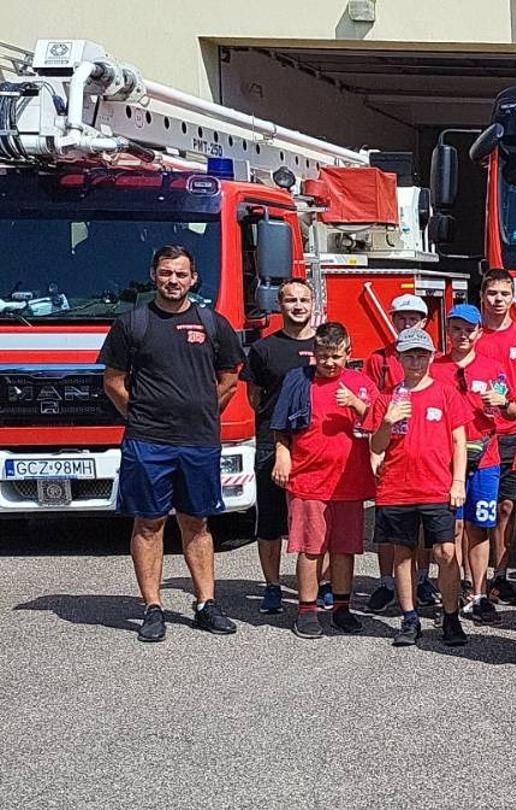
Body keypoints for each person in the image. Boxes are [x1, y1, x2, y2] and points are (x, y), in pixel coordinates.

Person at [100, 245, 245, 641]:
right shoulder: (133, 324)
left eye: (181, 274)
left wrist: (200, 410)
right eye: (166, 273)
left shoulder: (212, 323)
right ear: (153, 275)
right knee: (149, 523)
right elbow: (113, 381)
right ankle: (152, 607)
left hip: (198, 442)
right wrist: (143, 417)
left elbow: (229, 379)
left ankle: (206, 604)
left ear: (193, 279)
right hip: (148, 442)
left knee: (197, 522)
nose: (173, 281)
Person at [368, 327, 470, 648]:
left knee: (446, 551)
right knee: (403, 554)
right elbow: (377, 445)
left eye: (421, 355)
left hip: (437, 486)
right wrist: (387, 420)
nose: (415, 361)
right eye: (409, 355)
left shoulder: (446, 393)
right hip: (398, 488)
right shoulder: (387, 398)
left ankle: (450, 615)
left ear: (430, 358)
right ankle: (410, 618)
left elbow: (460, 441)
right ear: (398, 358)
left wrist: (457, 481)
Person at [268, 321, 369, 639]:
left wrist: (357, 404)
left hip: (349, 481)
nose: (329, 363)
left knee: (344, 549)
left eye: (336, 356)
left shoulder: (360, 382)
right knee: (311, 548)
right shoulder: (297, 381)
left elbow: (381, 422)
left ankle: (342, 607)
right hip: (308, 479)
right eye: (323, 356)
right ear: (313, 354)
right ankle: (307, 610)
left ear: (348, 354)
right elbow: (280, 425)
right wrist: (282, 455)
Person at [435, 304, 516, 626]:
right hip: (445, 459)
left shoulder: (493, 368)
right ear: (448, 331)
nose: (462, 335)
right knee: (451, 528)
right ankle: (453, 594)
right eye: (456, 329)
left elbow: (512, 412)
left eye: (469, 329)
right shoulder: (435, 366)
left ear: (479, 332)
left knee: (479, 527)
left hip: (486, 458)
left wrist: (504, 403)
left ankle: (480, 594)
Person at [243, 279, 317, 615]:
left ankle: (322, 585)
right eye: (291, 300)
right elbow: (254, 396)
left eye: (304, 299)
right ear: (280, 304)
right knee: (271, 521)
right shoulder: (263, 350)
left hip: (316, 446)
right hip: (271, 445)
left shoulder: (325, 345)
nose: (298, 306)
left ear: (313, 303)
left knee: (318, 520)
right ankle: (273, 587)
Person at [363, 292, 438, 613]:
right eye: (401, 318)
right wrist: (374, 453)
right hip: (388, 453)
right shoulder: (378, 359)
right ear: (392, 320)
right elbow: (368, 405)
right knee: (388, 528)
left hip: (424, 457)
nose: (407, 323)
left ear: (424, 322)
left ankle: (421, 580)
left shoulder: (430, 357)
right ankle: (385, 582)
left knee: (419, 529)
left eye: (414, 318)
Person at [474, 269, 516, 607]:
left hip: (515, 434)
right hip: (478, 435)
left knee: (506, 508)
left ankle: (500, 577)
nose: (498, 300)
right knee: (474, 511)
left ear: (513, 297)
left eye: (504, 294)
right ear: (482, 296)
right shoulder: (472, 335)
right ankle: (473, 578)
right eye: (492, 294)